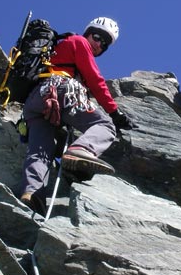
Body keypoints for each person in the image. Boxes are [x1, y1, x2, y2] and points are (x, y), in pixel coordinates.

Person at [19, 17, 134, 215]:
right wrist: (114, 112)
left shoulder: (59, 51)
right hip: (60, 90)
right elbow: (95, 80)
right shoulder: (79, 42)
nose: (98, 44)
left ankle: (32, 195)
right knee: (105, 125)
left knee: (41, 151)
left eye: (104, 44)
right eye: (97, 37)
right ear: (87, 33)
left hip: (35, 102)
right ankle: (81, 149)